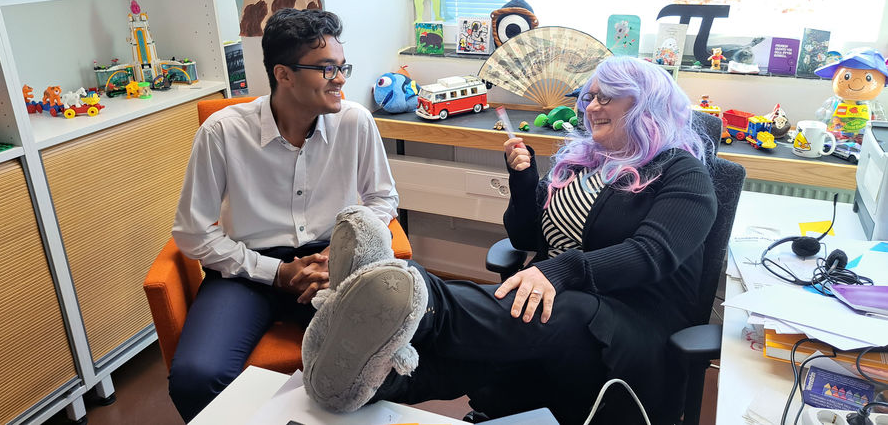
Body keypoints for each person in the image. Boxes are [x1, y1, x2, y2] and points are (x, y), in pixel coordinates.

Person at [301, 56, 718, 423]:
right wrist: (523, 180)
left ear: (646, 103)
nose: (591, 107)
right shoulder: (585, 164)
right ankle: (364, 384)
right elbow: (526, 236)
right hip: (560, 300)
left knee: (553, 308)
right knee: (506, 332)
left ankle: (412, 296)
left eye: (605, 97)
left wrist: (558, 272)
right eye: (589, 98)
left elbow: (652, 254)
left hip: (632, 318)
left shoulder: (682, 173)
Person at [168, 8, 398, 421]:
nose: (341, 79)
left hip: (330, 265)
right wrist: (275, 273)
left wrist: (340, 256)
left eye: (342, 66)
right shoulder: (223, 132)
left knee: (377, 362)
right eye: (326, 68)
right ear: (284, 74)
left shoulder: (355, 122)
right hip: (246, 271)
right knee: (195, 377)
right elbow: (192, 231)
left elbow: (382, 199)